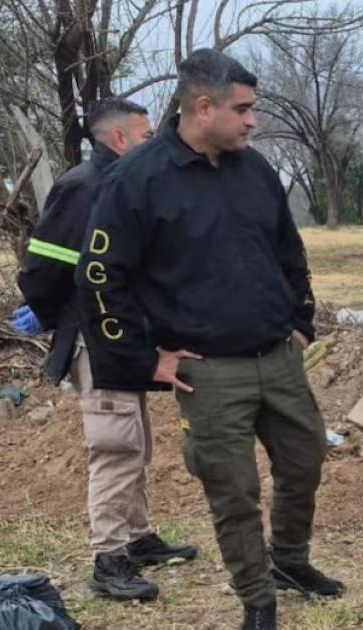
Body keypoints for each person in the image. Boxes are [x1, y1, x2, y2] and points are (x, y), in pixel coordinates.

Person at [75, 49, 339, 630]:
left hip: (278, 354)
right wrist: (146, 359)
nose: (251, 121)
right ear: (202, 106)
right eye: (242, 110)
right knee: (233, 489)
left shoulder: (257, 170)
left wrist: (301, 318)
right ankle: (257, 600)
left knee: (305, 461)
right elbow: (99, 278)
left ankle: (290, 562)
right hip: (208, 369)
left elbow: (288, 249)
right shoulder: (136, 179)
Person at [13, 98, 197, 602]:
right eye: (143, 136)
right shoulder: (82, 188)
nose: (152, 145)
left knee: (134, 441)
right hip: (94, 340)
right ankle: (109, 556)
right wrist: (62, 318)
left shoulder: (125, 187)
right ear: (117, 140)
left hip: (126, 340)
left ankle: (136, 537)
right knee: (114, 446)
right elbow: (41, 272)